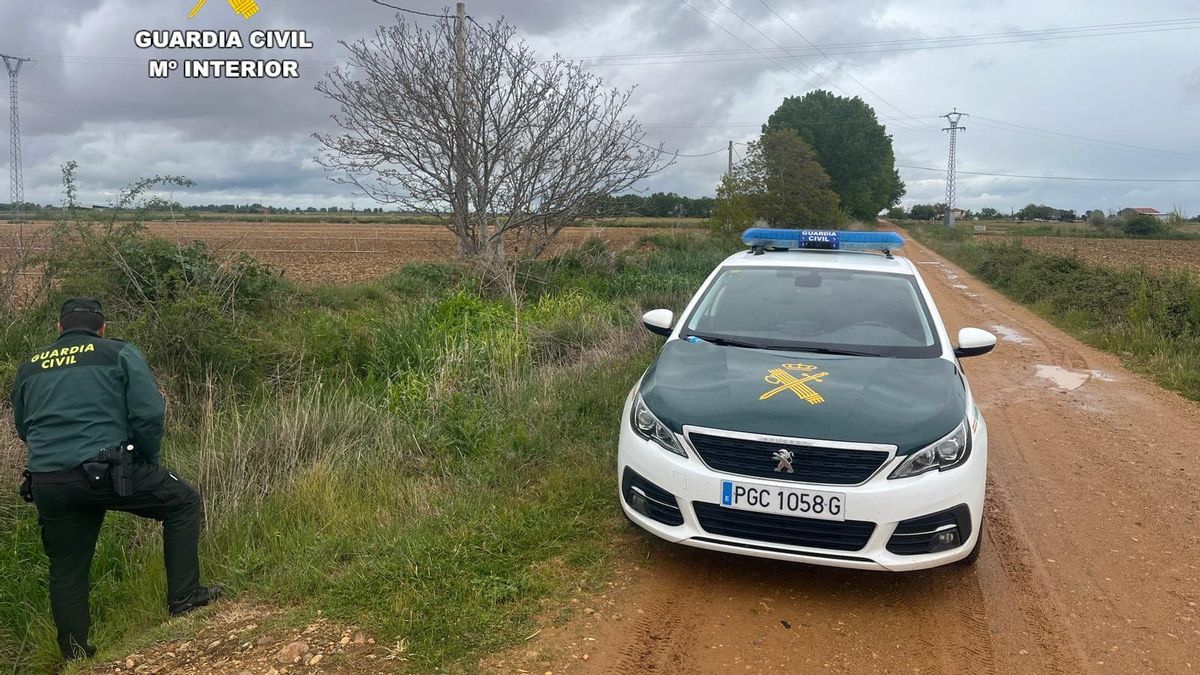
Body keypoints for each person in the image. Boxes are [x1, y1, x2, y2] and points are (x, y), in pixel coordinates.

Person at [11, 297, 220, 661]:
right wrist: (147, 460)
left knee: (67, 566)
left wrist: (56, 456)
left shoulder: (30, 367)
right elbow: (148, 413)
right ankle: (185, 598)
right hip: (108, 472)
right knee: (183, 502)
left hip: (48, 481)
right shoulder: (118, 352)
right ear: (102, 328)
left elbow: (23, 426)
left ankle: (75, 655)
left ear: (60, 328)